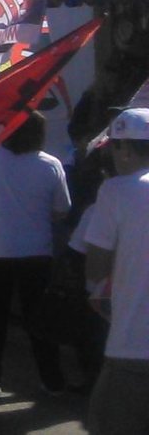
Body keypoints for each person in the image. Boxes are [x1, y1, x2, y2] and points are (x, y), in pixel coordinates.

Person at [0, 112, 70, 396]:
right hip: (36, 251)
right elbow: (62, 209)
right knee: (39, 320)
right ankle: (52, 379)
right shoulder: (51, 164)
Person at [84, 107, 149, 434]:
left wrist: (99, 292)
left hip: (134, 344)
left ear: (124, 149)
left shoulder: (116, 190)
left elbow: (96, 263)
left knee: (109, 422)